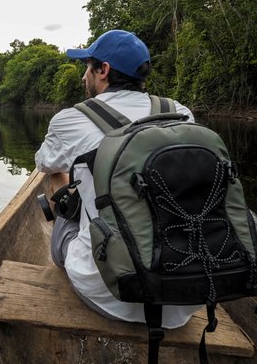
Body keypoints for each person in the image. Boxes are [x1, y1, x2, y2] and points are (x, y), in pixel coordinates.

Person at [35, 29, 202, 328]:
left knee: (57, 174)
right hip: (187, 297)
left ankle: (69, 249)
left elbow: (43, 164)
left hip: (107, 291)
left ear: (104, 70)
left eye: (88, 66)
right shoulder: (181, 113)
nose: (84, 76)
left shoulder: (71, 118)